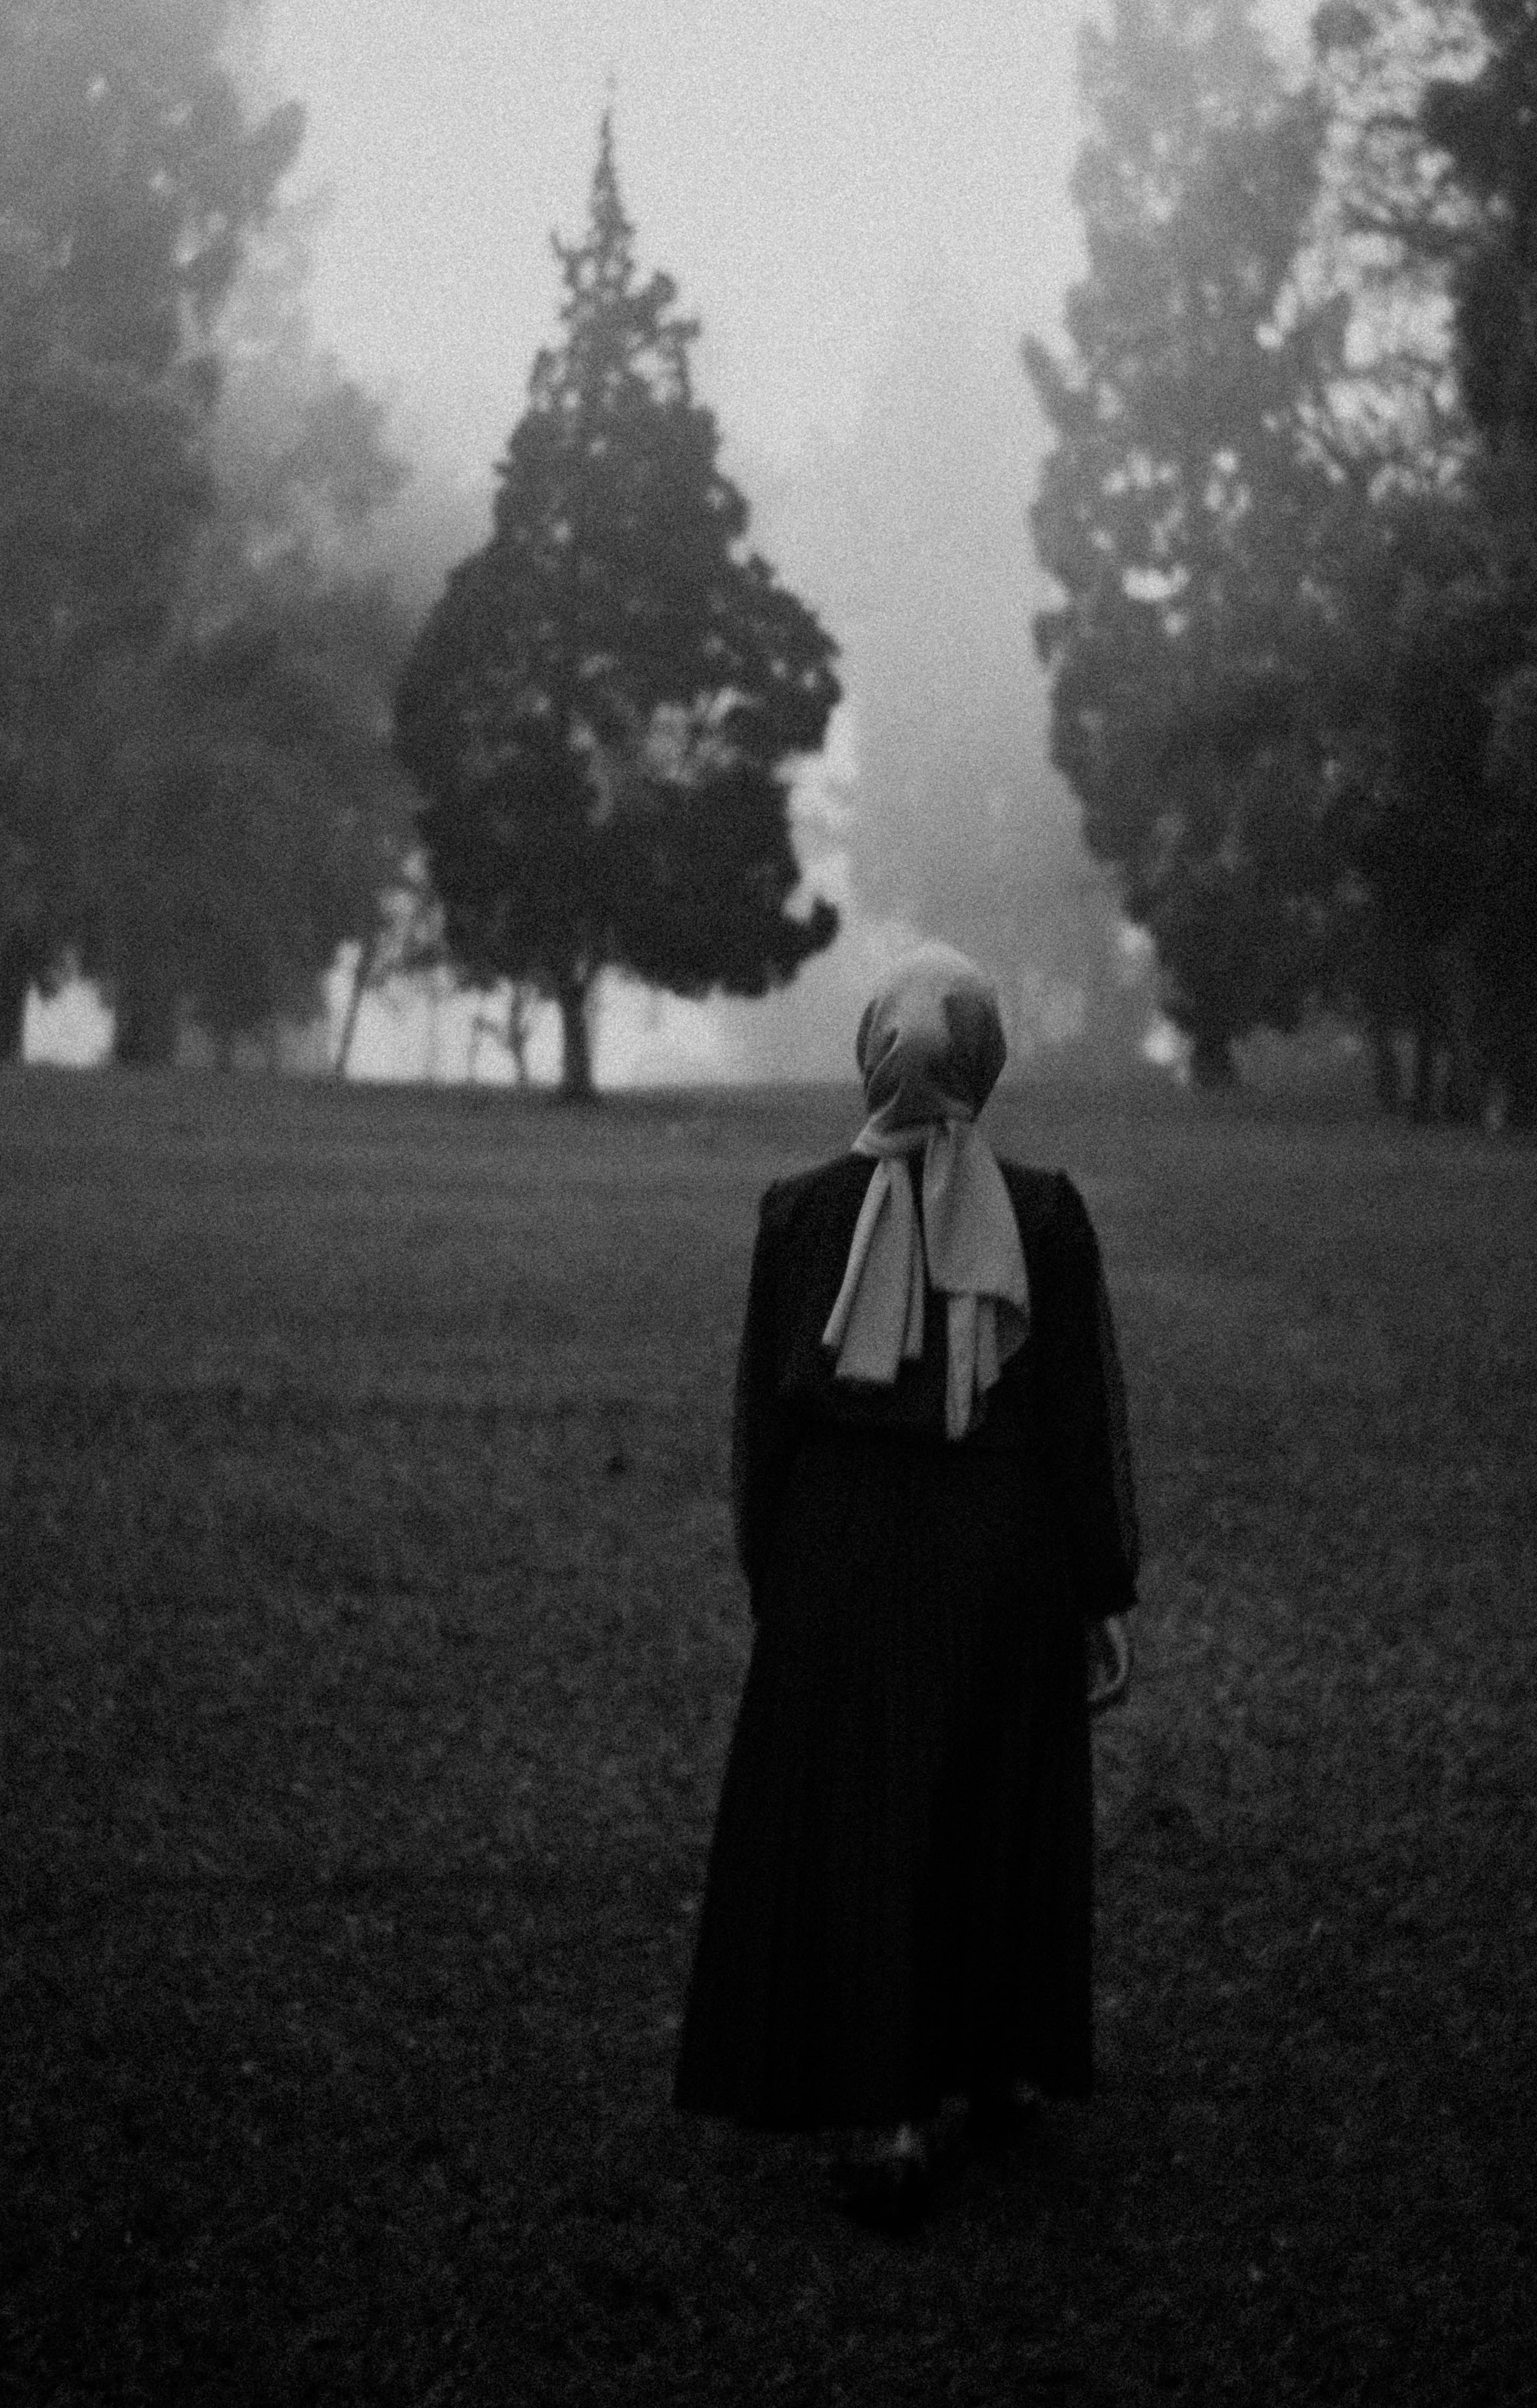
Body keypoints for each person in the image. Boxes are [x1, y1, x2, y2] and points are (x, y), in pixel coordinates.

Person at [672, 943, 1141, 2232]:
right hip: (1000, 1560)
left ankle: (879, 2115)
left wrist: (782, 1577)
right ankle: (988, 2064)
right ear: (986, 1063)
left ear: (867, 1053)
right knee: (986, 1804)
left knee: (859, 1825)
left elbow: (764, 1430)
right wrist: (1103, 1590)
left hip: (840, 1561)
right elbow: (1074, 1426)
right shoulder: (1042, 1216)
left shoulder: (798, 1211)